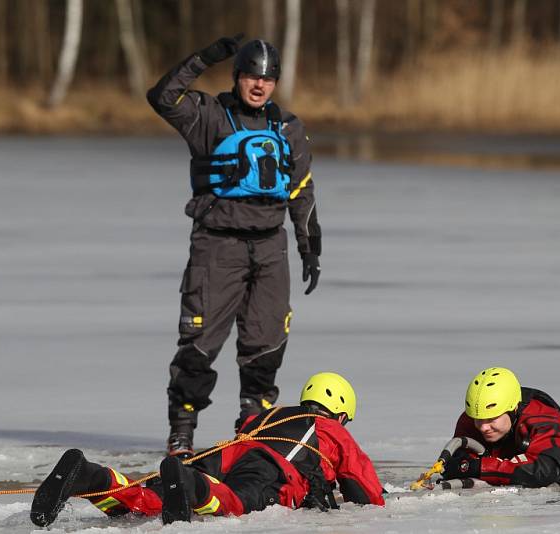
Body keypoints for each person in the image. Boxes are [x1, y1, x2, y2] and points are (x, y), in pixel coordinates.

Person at [145, 35, 322, 457]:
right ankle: (182, 435)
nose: (259, 86)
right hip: (217, 248)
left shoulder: (288, 128)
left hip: (269, 250)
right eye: (250, 77)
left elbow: (301, 189)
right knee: (199, 344)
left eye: (267, 79)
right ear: (237, 77)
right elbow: (162, 96)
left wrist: (309, 246)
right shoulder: (206, 115)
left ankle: (254, 430)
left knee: (265, 346)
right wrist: (205, 56)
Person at [30, 372, 384, 527]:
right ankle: (190, 484)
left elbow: (244, 436)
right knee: (235, 501)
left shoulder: (270, 414)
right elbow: (366, 494)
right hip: (270, 468)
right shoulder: (333, 430)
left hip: (225, 452)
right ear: (340, 412)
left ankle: (91, 477)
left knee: (150, 499)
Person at [437, 367, 560, 487]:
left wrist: (481, 467)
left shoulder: (545, 420)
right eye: (478, 419)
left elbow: (544, 472)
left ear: (512, 408)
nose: (483, 427)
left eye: (492, 419)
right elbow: (461, 463)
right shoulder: (471, 420)